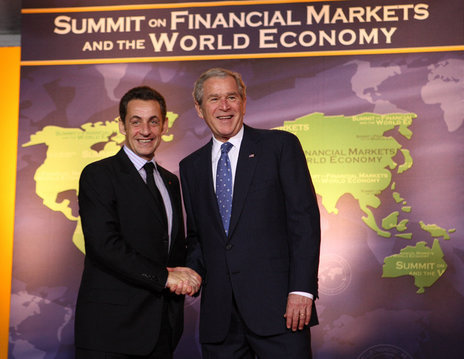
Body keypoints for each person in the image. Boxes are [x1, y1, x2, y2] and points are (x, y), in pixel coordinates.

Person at [179, 68, 321, 358]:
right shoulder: (190, 167)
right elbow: (197, 236)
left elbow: (304, 222)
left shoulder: (280, 146)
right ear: (199, 108)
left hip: (282, 312)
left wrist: (302, 291)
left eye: (232, 97)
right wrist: (190, 272)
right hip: (221, 322)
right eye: (214, 99)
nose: (224, 106)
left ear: (243, 101)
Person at [75, 86, 201, 359]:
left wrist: (193, 271)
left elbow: (174, 248)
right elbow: (103, 246)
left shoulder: (170, 181)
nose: (145, 130)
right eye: (136, 121)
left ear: (165, 125)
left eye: (153, 121)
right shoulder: (99, 175)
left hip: (162, 331)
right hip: (111, 333)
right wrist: (165, 276)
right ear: (121, 125)